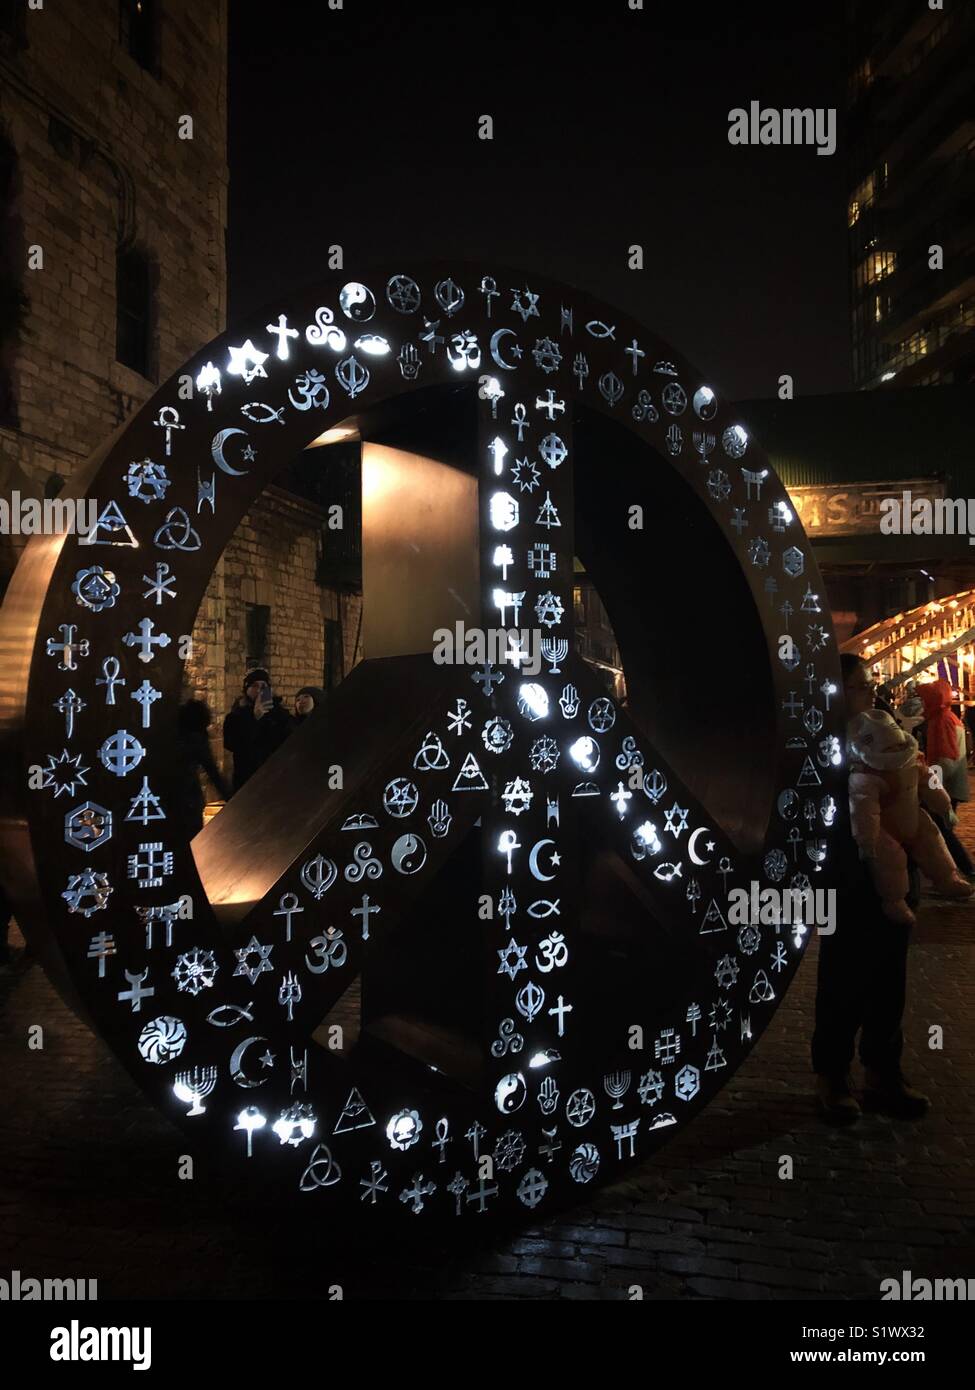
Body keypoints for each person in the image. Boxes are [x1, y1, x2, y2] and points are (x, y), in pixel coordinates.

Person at [811, 654, 930, 1125]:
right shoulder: (823, 743)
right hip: (849, 873)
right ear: (837, 692)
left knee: (889, 976)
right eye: (861, 687)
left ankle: (883, 1070)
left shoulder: (882, 729)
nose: (871, 694)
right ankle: (832, 1075)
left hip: (897, 870)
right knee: (843, 976)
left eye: (868, 685)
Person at [918, 678, 973, 876]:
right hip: (950, 784)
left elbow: (944, 759)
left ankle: (961, 869)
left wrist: (933, 786)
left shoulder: (941, 721)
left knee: (941, 831)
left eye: (925, 699)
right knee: (941, 830)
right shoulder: (947, 717)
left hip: (945, 785)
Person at [222, 668, 294, 793]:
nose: (260, 690)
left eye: (263, 686)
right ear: (247, 689)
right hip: (247, 778)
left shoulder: (280, 714)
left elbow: (287, 739)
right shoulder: (235, 716)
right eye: (255, 686)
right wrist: (255, 719)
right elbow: (231, 743)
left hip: (274, 777)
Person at [174, 700, 232, 835]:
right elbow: (212, 771)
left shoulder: (172, 737)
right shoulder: (196, 740)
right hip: (188, 797)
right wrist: (229, 796)